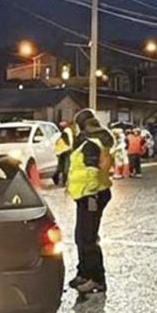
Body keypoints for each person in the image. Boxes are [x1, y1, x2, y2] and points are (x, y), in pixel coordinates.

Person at [67, 108, 114, 295]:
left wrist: (92, 196)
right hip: (86, 195)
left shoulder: (91, 144)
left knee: (88, 239)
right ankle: (84, 273)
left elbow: (93, 172)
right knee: (81, 237)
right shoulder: (89, 141)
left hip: (92, 196)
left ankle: (96, 279)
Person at [53, 120, 75, 186]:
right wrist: (71, 148)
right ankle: (63, 181)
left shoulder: (61, 133)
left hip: (61, 151)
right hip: (66, 150)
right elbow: (70, 141)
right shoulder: (68, 131)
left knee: (61, 166)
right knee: (66, 166)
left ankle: (57, 178)